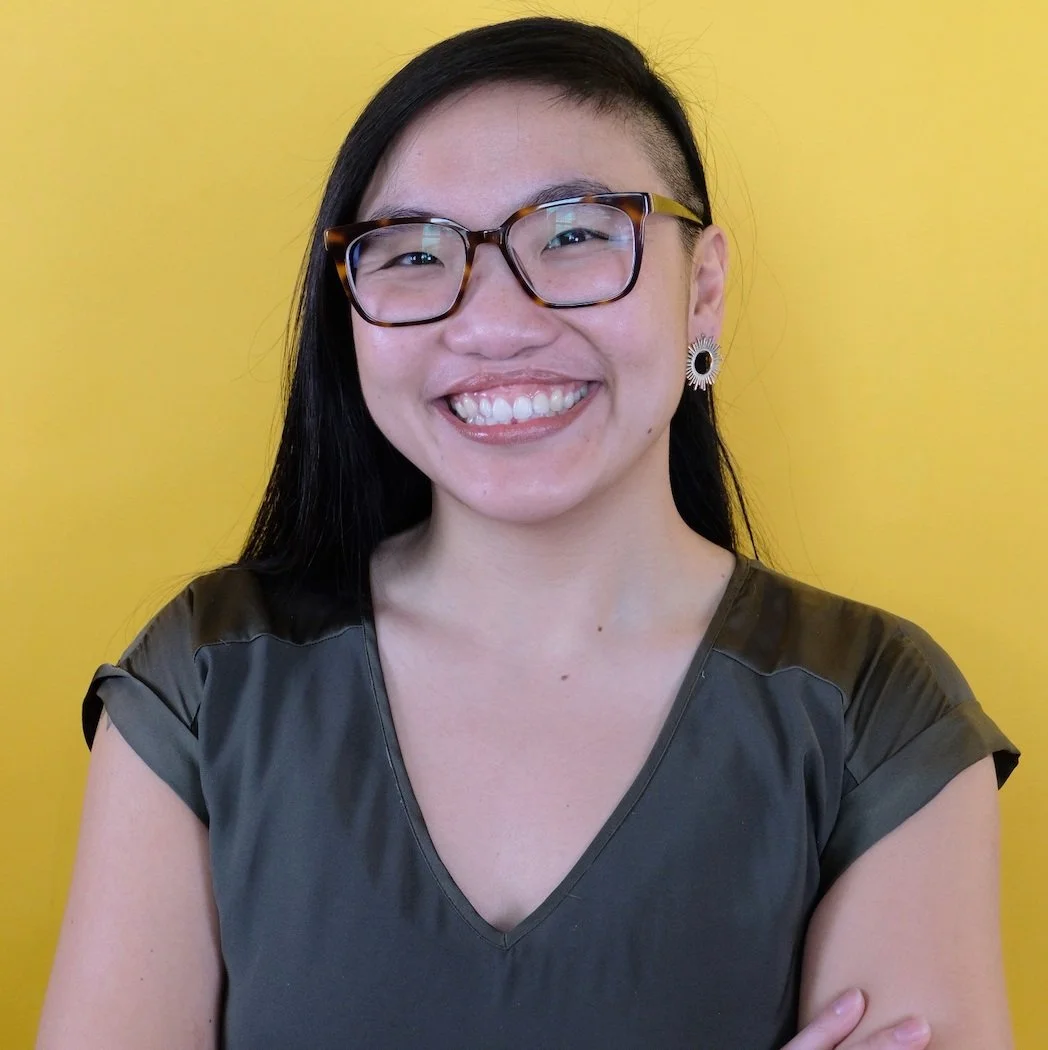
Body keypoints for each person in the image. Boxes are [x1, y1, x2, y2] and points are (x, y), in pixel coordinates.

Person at [37, 16, 1021, 1050]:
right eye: (413, 254)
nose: (494, 323)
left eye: (576, 234)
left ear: (704, 290)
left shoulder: (873, 710)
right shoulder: (206, 684)